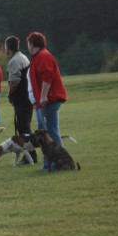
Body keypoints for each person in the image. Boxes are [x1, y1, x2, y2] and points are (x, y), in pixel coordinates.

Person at [27, 31, 68, 170]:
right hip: (43, 101)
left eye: (28, 43)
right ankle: (48, 164)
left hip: (49, 99)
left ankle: (59, 163)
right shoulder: (37, 57)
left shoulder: (43, 56)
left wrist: (43, 96)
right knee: (46, 132)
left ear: (32, 44)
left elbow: (47, 76)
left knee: (51, 132)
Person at [4, 36, 37, 164]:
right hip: (27, 98)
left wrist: (9, 94)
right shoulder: (23, 57)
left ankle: (31, 156)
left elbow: (14, 82)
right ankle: (30, 155)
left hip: (22, 99)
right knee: (24, 126)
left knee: (24, 128)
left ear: (8, 47)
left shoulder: (14, 61)